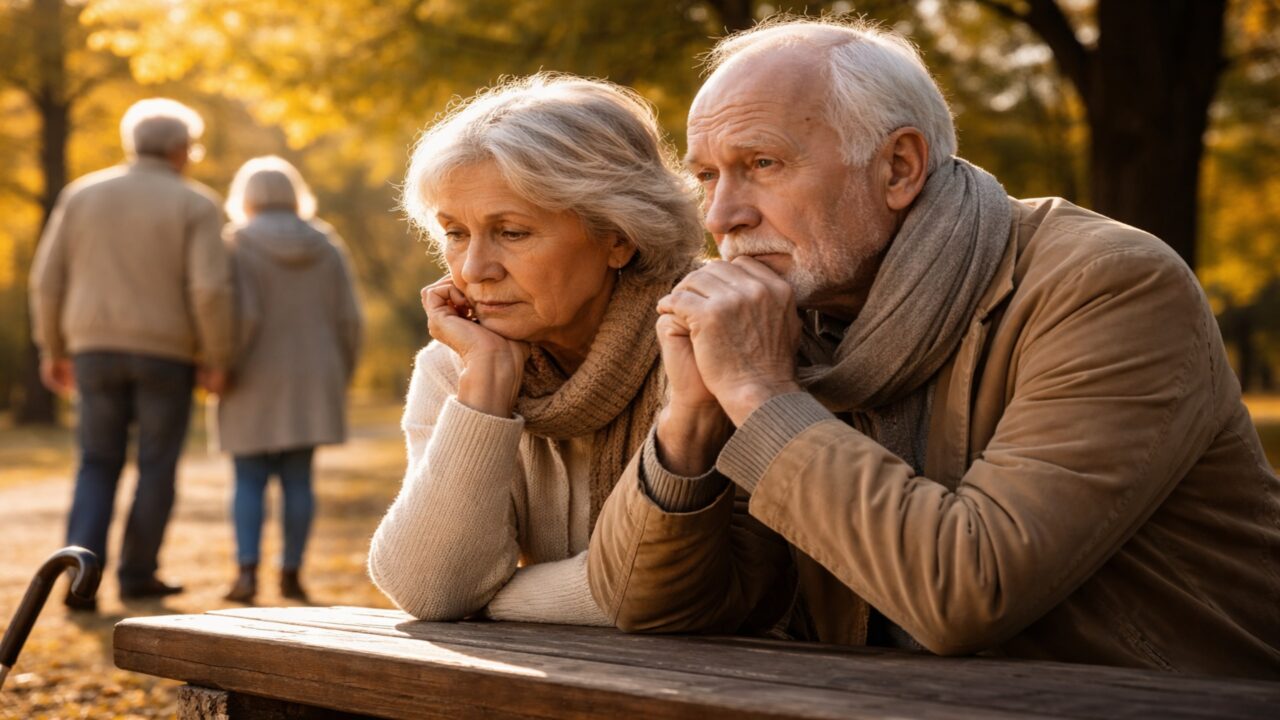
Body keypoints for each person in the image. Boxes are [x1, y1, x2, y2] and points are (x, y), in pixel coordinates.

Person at [587, 18, 1280, 678]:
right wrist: (692, 416)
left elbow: (969, 592)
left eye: (761, 164)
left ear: (898, 167)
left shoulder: (1108, 286)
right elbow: (649, 607)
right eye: (707, 175)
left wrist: (761, 396)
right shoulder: (789, 319)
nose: (720, 216)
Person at [367, 73, 704, 625]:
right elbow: (430, 590)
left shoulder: (701, 338)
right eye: (455, 233)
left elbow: (667, 583)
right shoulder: (457, 365)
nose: (475, 269)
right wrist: (484, 389)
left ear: (619, 236)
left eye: (513, 232)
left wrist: (498, 600)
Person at [28, 98, 233, 608]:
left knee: (96, 462)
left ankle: (80, 581)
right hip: (167, 355)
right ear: (180, 150)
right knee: (157, 466)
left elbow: (47, 281)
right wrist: (218, 355)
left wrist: (52, 347)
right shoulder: (196, 203)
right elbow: (210, 290)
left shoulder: (81, 195)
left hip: (92, 350)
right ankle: (137, 574)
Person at [217, 156, 363, 604]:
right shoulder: (326, 243)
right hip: (313, 374)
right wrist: (342, 371)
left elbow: (233, 314)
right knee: (299, 479)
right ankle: (293, 574)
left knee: (248, 479)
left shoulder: (234, 243)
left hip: (250, 373)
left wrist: (220, 362)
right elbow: (349, 319)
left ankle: (246, 574)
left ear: (246, 195)